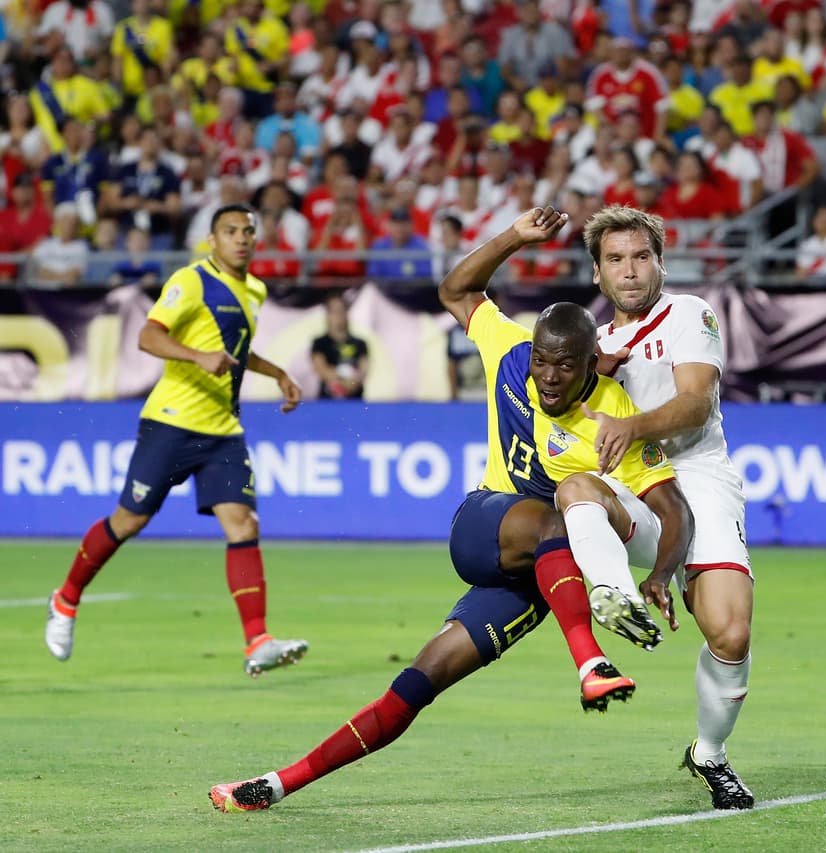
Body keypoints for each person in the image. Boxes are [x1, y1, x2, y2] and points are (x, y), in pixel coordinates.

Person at [209, 207, 694, 813]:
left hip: (539, 576)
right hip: (483, 524)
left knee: (421, 679)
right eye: (542, 359)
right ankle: (589, 660)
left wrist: (659, 574)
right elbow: (455, 290)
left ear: (591, 363)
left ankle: (278, 783)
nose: (546, 375)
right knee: (552, 514)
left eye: (564, 366)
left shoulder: (614, 410)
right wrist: (516, 236)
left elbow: (674, 508)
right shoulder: (510, 349)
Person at [44, 204, 309, 678]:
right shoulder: (191, 281)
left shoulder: (255, 290)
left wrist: (278, 374)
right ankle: (65, 599)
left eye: (248, 231)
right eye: (230, 232)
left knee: (243, 524)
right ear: (212, 240)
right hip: (171, 423)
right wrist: (195, 356)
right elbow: (148, 336)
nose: (241, 239)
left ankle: (258, 640)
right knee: (129, 520)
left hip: (223, 429)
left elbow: (237, 351)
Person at [585, 205, 757, 810]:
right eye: (615, 260)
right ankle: (609, 593)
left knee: (730, 632)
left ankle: (709, 753)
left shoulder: (687, 314)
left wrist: (628, 423)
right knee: (574, 493)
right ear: (598, 273)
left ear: (659, 262)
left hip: (697, 474)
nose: (629, 271)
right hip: (629, 480)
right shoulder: (589, 343)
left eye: (640, 256)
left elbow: (694, 401)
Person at [310, 294, 369, 400]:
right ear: (328, 315)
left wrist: (351, 383)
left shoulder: (360, 343)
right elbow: (320, 368)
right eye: (335, 311)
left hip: (355, 402)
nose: (339, 315)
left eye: (342, 310)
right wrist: (340, 380)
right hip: (327, 402)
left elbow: (363, 371)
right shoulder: (320, 343)